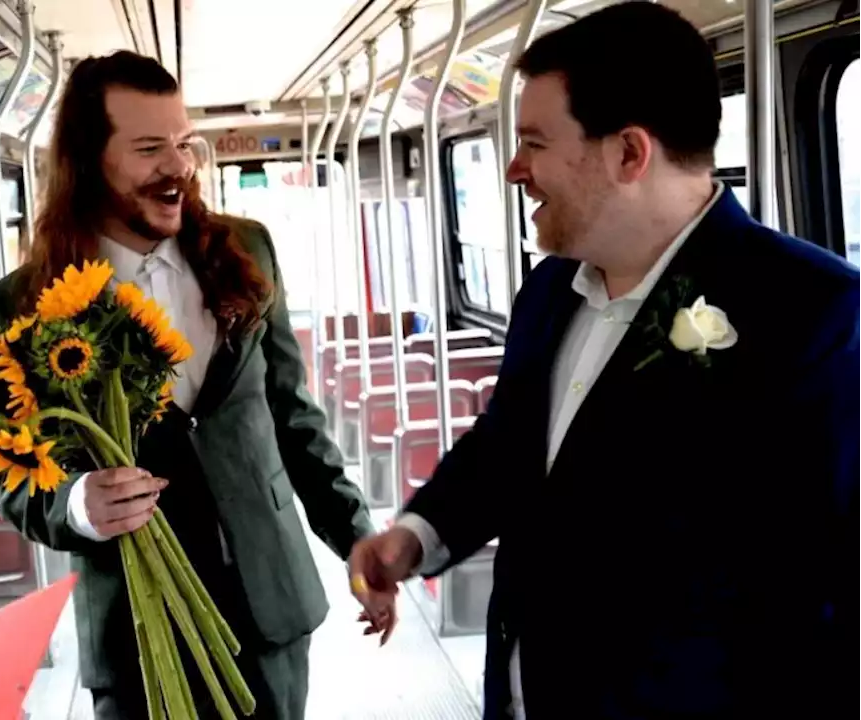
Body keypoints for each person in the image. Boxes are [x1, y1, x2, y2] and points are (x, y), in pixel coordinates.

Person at [348, 3, 859, 718]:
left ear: (628, 153)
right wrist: (415, 536)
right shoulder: (552, 289)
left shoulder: (814, 315)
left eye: (533, 142)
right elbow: (510, 447)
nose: (514, 169)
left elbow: (825, 591)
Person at [0, 50, 386, 720]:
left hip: (271, 603)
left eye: (182, 143)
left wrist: (358, 541)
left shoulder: (247, 250)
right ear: (87, 162)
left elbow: (292, 419)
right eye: (148, 149)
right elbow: (15, 478)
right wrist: (78, 504)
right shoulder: (21, 308)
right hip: (140, 629)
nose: (178, 167)